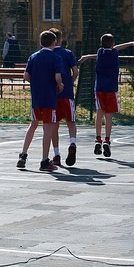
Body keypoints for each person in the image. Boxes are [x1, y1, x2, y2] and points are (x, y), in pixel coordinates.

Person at [80, 33, 134, 158]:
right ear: (112, 44)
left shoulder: (100, 53)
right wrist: (130, 43)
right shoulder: (114, 53)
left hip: (99, 89)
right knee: (109, 116)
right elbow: (118, 48)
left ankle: (98, 139)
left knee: (99, 114)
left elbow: (98, 54)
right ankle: (107, 140)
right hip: (111, 89)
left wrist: (86, 56)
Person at [17, 30, 64, 172]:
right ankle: (44, 160)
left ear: (40, 42)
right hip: (49, 96)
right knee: (48, 128)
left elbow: (25, 75)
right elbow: (57, 76)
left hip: (36, 96)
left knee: (33, 125)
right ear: (54, 42)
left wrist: (36, 83)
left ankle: (23, 155)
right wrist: (60, 84)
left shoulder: (33, 57)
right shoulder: (56, 58)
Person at [50, 28, 79, 166]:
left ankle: (56, 155)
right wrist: (70, 82)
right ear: (60, 39)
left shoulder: (48, 54)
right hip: (67, 94)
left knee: (54, 125)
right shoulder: (67, 53)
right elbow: (75, 71)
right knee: (71, 122)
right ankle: (72, 143)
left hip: (53, 94)